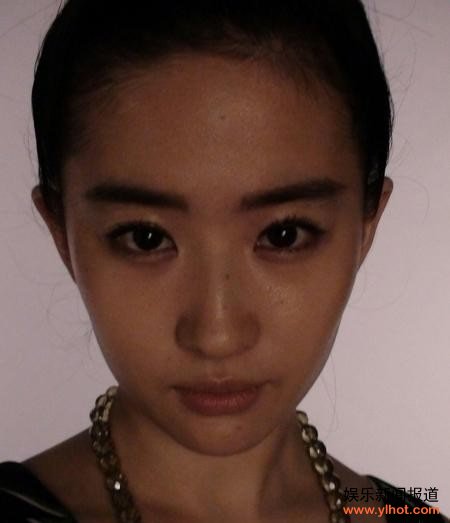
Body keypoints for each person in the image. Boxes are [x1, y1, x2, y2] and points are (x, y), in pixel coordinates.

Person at [0, 1, 447, 522]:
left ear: (365, 227)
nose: (216, 335)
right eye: (146, 238)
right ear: (62, 234)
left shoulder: (402, 514)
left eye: (283, 235)